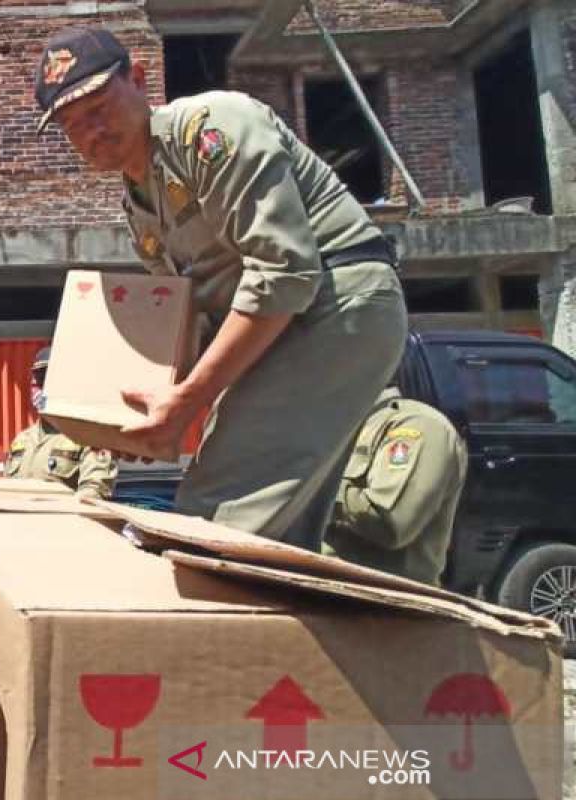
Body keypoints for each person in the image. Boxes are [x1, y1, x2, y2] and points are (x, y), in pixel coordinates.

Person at [34, 27, 407, 548]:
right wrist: (143, 416)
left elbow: (286, 271)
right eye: (72, 124)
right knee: (278, 544)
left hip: (335, 304)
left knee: (210, 523)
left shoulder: (210, 128)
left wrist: (186, 400)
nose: (90, 130)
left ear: (138, 80)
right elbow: (192, 323)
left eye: (97, 105)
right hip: (284, 333)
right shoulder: (140, 211)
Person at [325, 385, 467, 586]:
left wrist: (315, 487)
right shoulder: (331, 425)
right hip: (313, 588)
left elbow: (392, 525)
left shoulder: (416, 424)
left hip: (376, 602)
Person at [6, 347, 117, 498]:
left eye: (52, 380)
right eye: (40, 379)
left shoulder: (90, 439)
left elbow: (94, 490)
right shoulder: (21, 441)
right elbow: (6, 492)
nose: (45, 387)